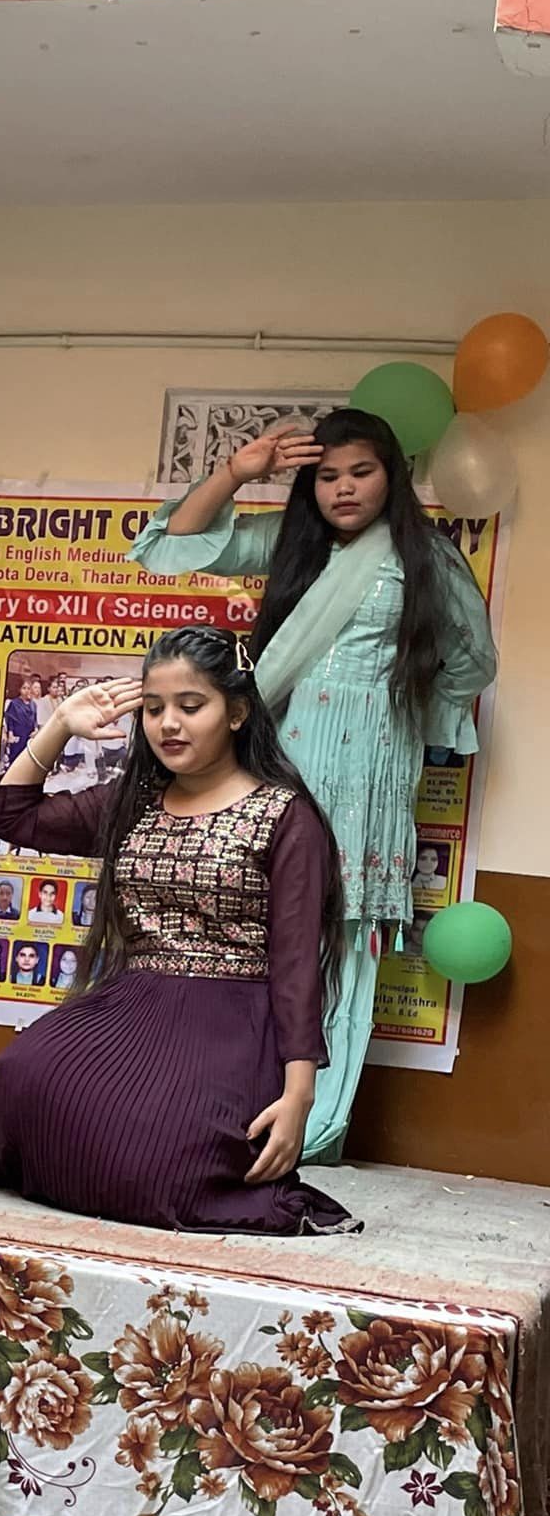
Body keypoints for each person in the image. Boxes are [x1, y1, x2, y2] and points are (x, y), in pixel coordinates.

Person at [130, 408, 496, 1162]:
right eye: (327, 476)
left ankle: (315, 1126)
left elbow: (472, 659)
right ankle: (232, 1107)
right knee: (263, 925)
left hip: (370, 772)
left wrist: (410, 712)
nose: (344, 489)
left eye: (361, 472)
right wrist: (239, 471)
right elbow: (167, 547)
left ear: (392, 475)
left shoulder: (424, 555)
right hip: (282, 755)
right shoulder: (291, 542)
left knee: (345, 933)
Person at [0, 628, 353, 1235]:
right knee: (21, 1081)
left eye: (190, 706)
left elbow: (298, 962)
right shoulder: (134, 800)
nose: (168, 724)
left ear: (237, 712)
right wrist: (60, 725)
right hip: (132, 1005)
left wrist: (299, 1094)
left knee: (166, 1152)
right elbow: (10, 816)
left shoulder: (287, 816)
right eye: (153, 709)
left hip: (233, 1025)